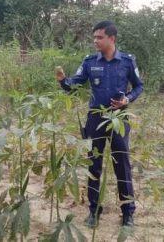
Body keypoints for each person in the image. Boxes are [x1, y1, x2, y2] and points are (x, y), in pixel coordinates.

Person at [54, 20, 143, 228]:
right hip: (95, 119)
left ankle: (128, 212)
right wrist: (62, 81)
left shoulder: (128, 61)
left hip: (118, 120)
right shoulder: (89, 62)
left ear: (112, 38)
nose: (95, 41)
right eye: (94, 37)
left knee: (122, 165)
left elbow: (139, 86)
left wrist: (127, 100)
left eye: (99, 37)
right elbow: (74, 85)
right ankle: (94, 210)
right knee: (93, 164)